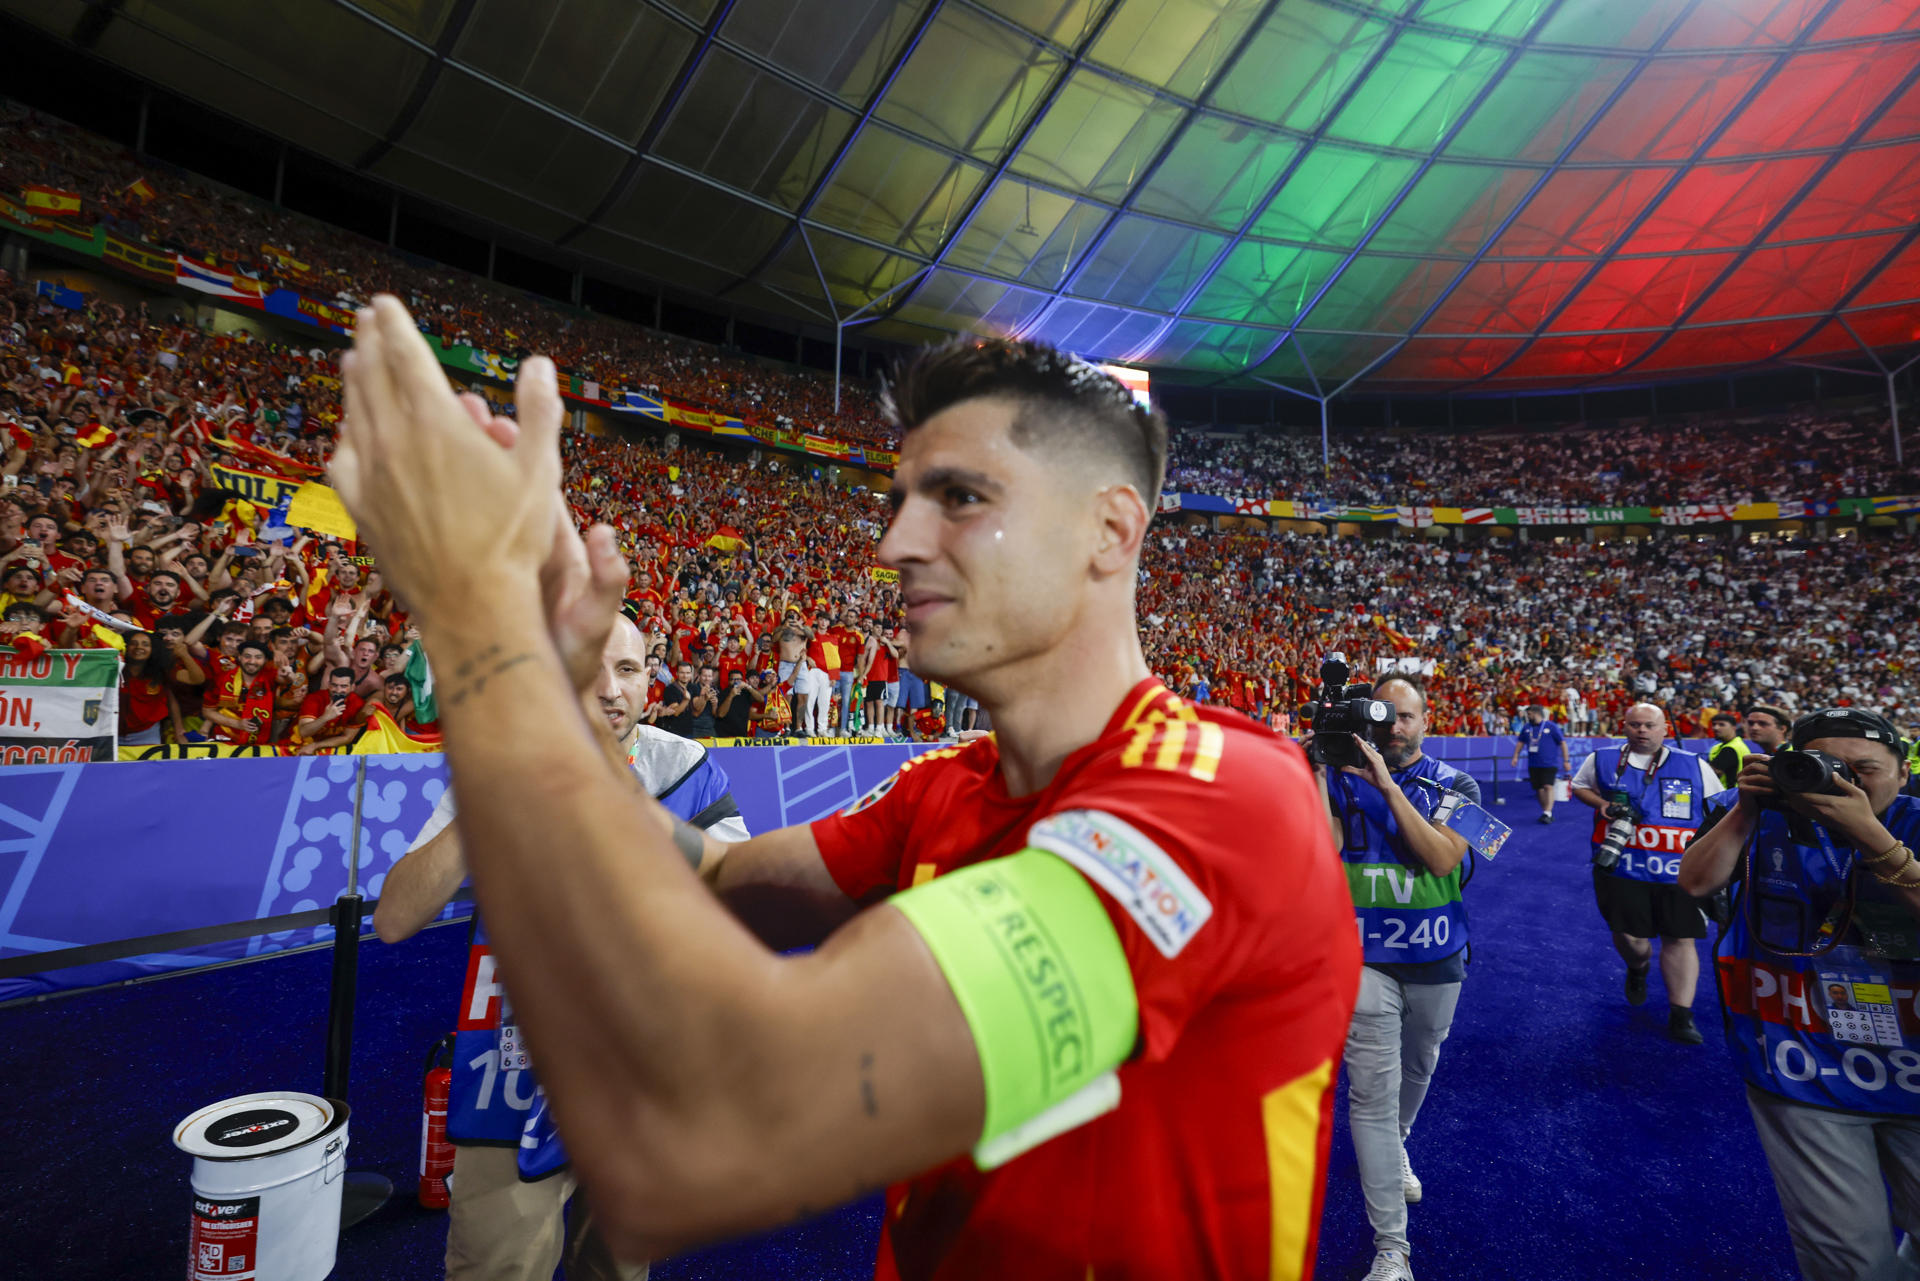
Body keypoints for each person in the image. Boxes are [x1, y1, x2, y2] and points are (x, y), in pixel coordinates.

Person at [331, 303, 1360, 1279]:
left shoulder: (1225, 802)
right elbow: (716, 871)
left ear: (1110, 529)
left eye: (960, 497)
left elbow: (736, 1127)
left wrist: (483, 643)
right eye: (899, 501)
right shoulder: (940, 791)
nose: (895, 545)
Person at [372, 614, 751, 1281]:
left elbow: (745, 899)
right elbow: (397, 916)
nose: (609, 689)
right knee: (497, 1265)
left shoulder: (683, 767)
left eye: (628, 669)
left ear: (648, 684)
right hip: (514, 1069)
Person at [1678, 707, 1920, 1281]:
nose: (1845, 782)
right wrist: (1746, 809)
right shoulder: (1755, 815)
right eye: (1826, 767)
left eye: (1864, 769)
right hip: (1801, 1061)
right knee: (1849, 1261)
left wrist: (1870, 834)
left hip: (1912, 1067)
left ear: (1904, 773)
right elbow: (1695, 882)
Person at [1312, 673, 1480, 1281]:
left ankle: (1396, 1146)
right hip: (1363, 958)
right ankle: (1392, 1248)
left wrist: (1386, 784)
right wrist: (1317, 774)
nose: (1394, 727)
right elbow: (1320, 852)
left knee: (1422, 1061)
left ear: (1425, 723)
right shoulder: (1337, 780)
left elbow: (1441, 857)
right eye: (1385, 716)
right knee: (1369, 1096)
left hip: (1437, 957)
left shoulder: (1459, 783)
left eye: (1405, 717)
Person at [1571, 702, 1724, 1044]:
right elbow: (1579, 787)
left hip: (1678, 873)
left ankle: (1681, 1014)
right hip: (1620, 868)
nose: (1642, 731)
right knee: (1631, 939)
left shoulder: (1695, 765)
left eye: (1649, 725)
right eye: (1635, 725)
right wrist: (1601, 805)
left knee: (1679, 938)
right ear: (1624, 727)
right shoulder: (1602, 759)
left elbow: (1719, 809)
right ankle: (1638, 968)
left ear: (1664, 729)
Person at [1511, 704, 1570, 824]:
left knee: (1548, 786)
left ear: (1536, 713)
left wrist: (1566, 760)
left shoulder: (1551, 726)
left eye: (1529, 714)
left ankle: (1548, 812)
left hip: (1549, 763)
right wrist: (1515, 756)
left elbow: (1562, 743)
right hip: (1533, 763)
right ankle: (1545, 812)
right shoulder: (1527, 727)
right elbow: (1520, 743)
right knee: (1538, 789)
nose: (1528, 717)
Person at [1707, 711, 1752, 791]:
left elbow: (1708, 775)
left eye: (1721, 725)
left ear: (1733, 727)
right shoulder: (1722, 746)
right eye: (1714, 724)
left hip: (1728, 796)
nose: (1715, 728)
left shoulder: (1731, 749)